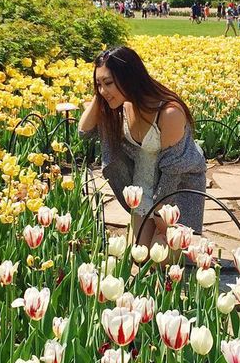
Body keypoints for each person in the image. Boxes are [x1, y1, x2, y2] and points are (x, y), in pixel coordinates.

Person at [78, 46, 206, 248]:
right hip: (142, 188)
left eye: (108, 83)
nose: (103, 90)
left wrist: (160, 216)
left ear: (129, 77)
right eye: (99, 84)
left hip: (174, 191)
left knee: (163, 261)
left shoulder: (169, 113)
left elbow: (173, 170)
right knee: (139, 256)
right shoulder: (123, 105)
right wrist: (100, 94)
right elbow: (83, 132)